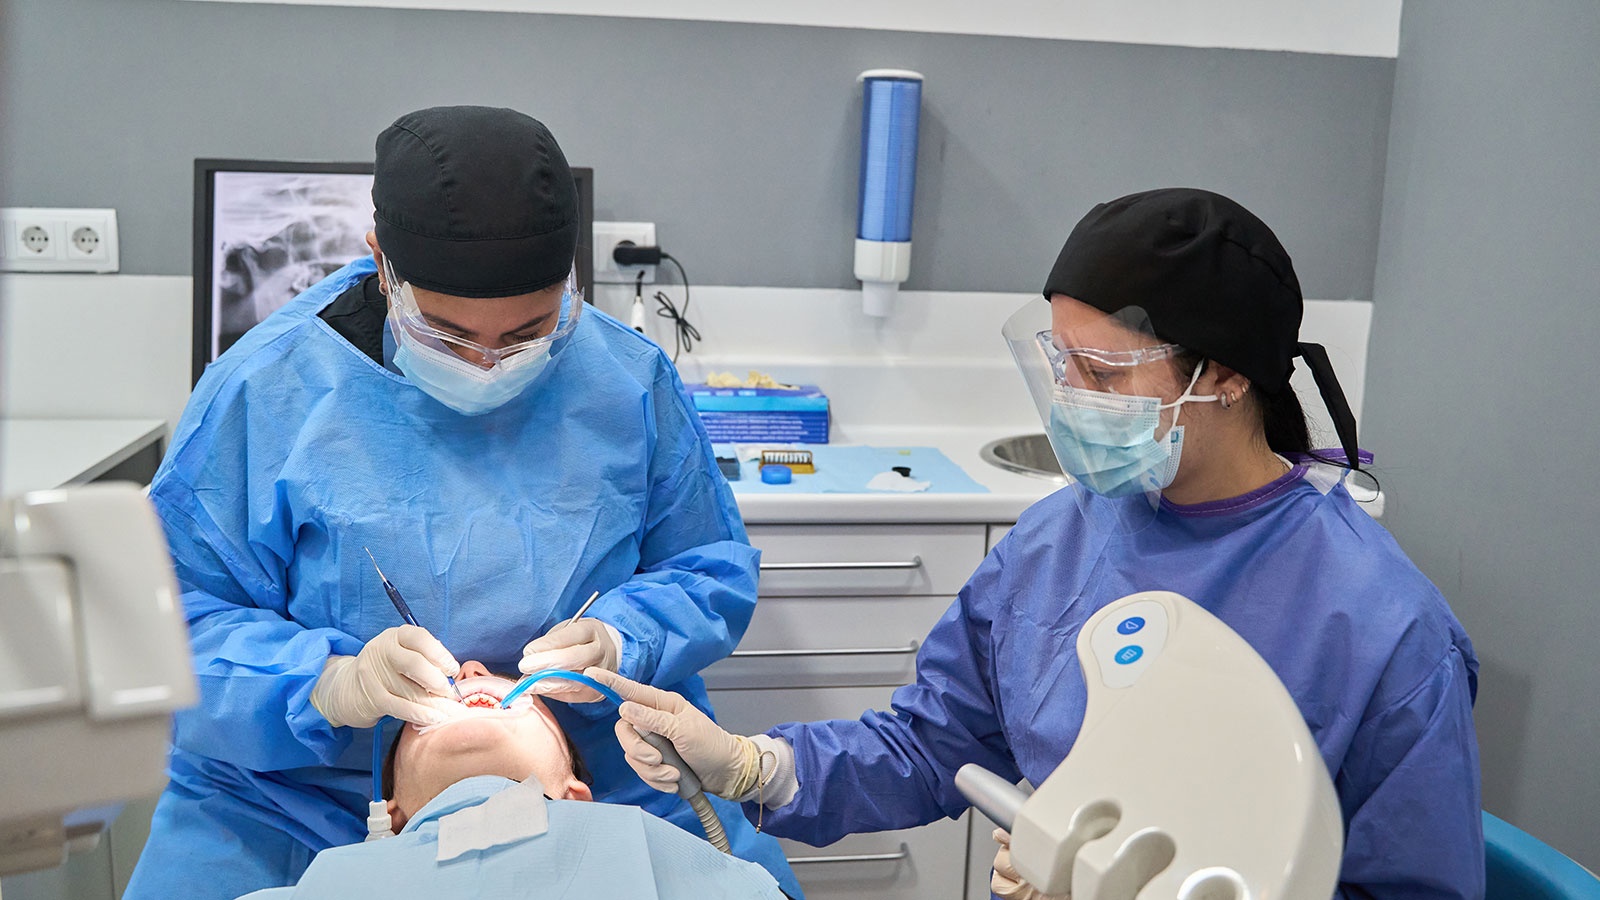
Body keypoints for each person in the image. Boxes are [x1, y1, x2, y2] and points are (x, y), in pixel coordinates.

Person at [590, 188, 1484, 899]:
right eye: (1061, 365)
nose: (1070, 402)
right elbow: (934, 744)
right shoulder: (1062, 537)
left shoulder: (1383, 628)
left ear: (1223, 376)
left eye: (1101, 373)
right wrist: (757, 767)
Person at [125, 105, 798, 900]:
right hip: (293, 801)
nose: (488, 365)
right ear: (381, 265)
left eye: (527, 334)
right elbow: (170, 627)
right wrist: (326, 685)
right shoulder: (265, 393)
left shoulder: (627, 380)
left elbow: (707, 567)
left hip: (610, 774)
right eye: (448, 336)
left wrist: (627, 638)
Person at [236, 662, 785, 899]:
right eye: (417, 717)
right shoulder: (341, 877)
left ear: (576, 794)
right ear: (391, 816)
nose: (471, 672)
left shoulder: (640, 841)